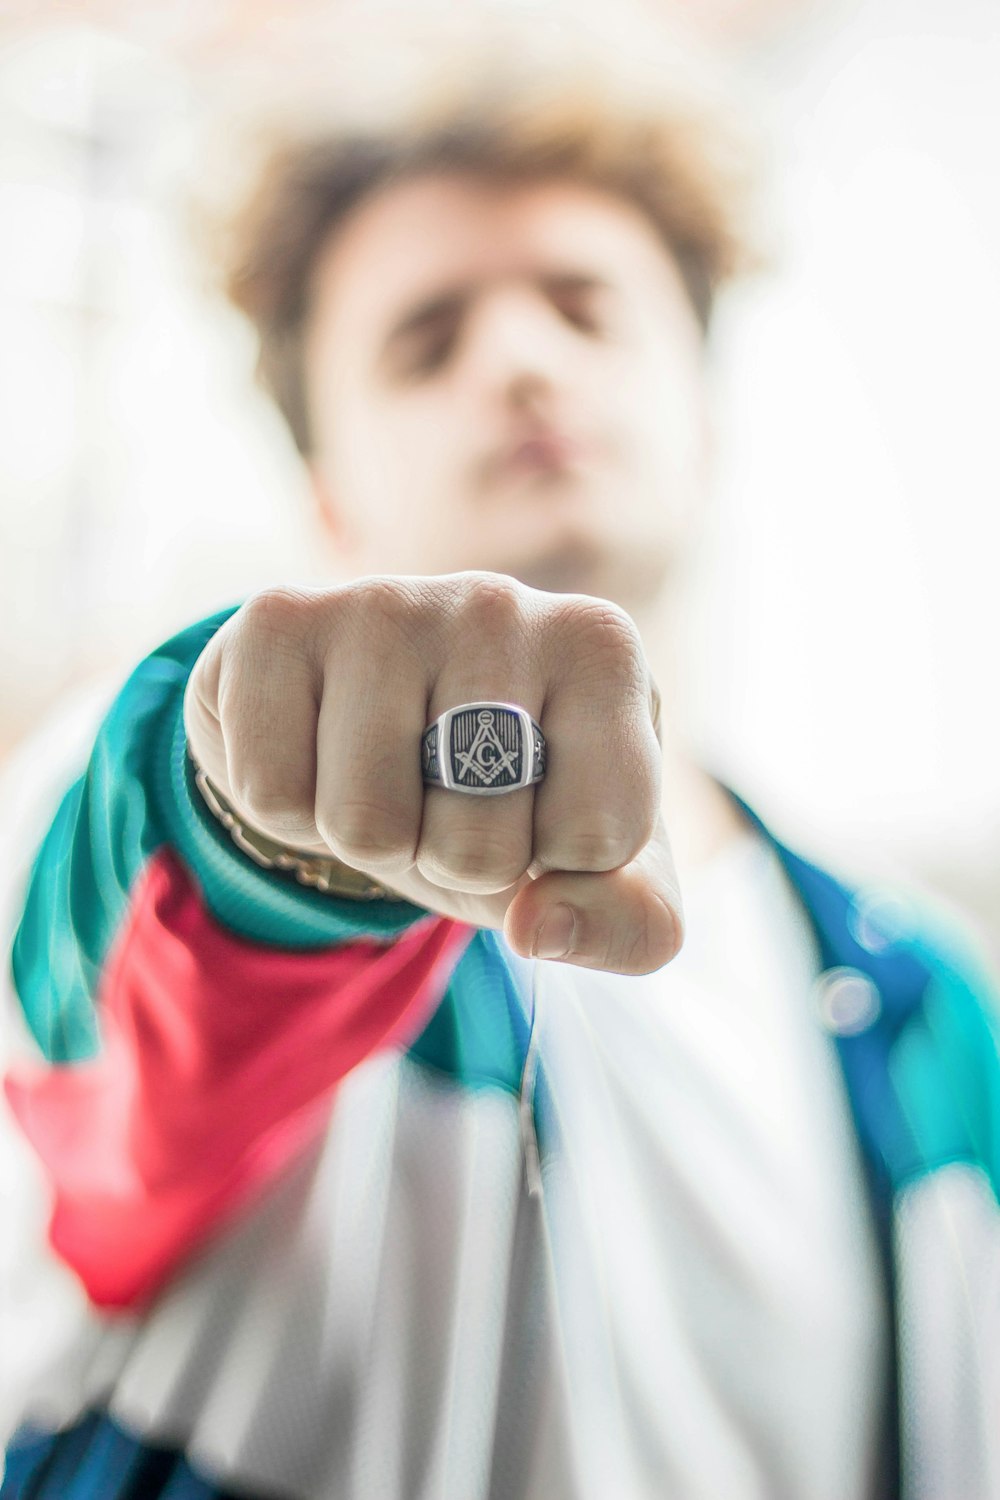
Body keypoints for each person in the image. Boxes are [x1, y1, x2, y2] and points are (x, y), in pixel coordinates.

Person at [2, 5, 999, 1498]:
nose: (523, 359)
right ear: (329, 497)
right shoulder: (149, 781)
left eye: (586, 305)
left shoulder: (941, 1007)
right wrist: (270, 836)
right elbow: (128, 1028)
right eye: (428, 338)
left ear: (707, 416)